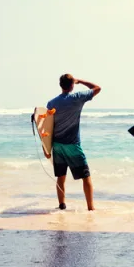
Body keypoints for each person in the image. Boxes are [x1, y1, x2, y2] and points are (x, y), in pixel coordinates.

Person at [47, 73, 101, 211]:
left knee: (61, 176)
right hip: (72, 145)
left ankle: (62, 205)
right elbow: (97, 88)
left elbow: (47, 125)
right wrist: (80, 81)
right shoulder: (77, 98)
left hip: (57, 145)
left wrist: (47, 148)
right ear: (72, 86)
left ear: (60, 85)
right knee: (86, 176)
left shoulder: (51, 103)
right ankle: (91, 207)